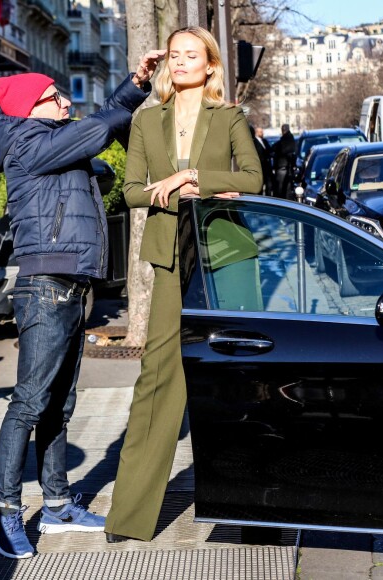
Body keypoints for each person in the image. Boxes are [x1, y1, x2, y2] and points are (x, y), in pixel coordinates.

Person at [0, 51, 166, 559]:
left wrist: (136, 82)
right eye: (54, 96)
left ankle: (59, 505)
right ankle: (4, 513)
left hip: (72, 286)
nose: (65, 100)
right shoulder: (26, 144)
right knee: (29, 402)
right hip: (45, 285)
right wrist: (121, 104)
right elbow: (96, 127)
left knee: (60, 405)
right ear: (29, 107)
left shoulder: (49, 139)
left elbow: (102, 116)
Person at [104, 26, 262, 544]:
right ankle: (129, 516)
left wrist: (192, 175)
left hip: (229, 257)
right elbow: (130, 193)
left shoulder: (230, 115)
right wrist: (171, 188)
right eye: (174, 55)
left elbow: (254, 180)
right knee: (157, 381)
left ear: (211, 64)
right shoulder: (147, 120)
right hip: (171, 257)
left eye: (191, 55)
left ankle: (256, 507)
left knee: (238, 380)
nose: (180, 62)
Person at [272, 123, 296, 198]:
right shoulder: (291, 140)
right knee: (286, 190)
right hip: (286, 167)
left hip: (282, 167)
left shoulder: (284, 141)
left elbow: (275, 148)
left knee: (281, 191)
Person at [252, 126, 273, 195]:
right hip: (260, 167)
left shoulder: (264, 141)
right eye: (261, 132)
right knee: (261, 186)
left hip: (267, 167)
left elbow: (269, 150)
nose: (262, 133)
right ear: (257, 133)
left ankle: (269, 198)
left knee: (269, 185)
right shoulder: (254, 142)